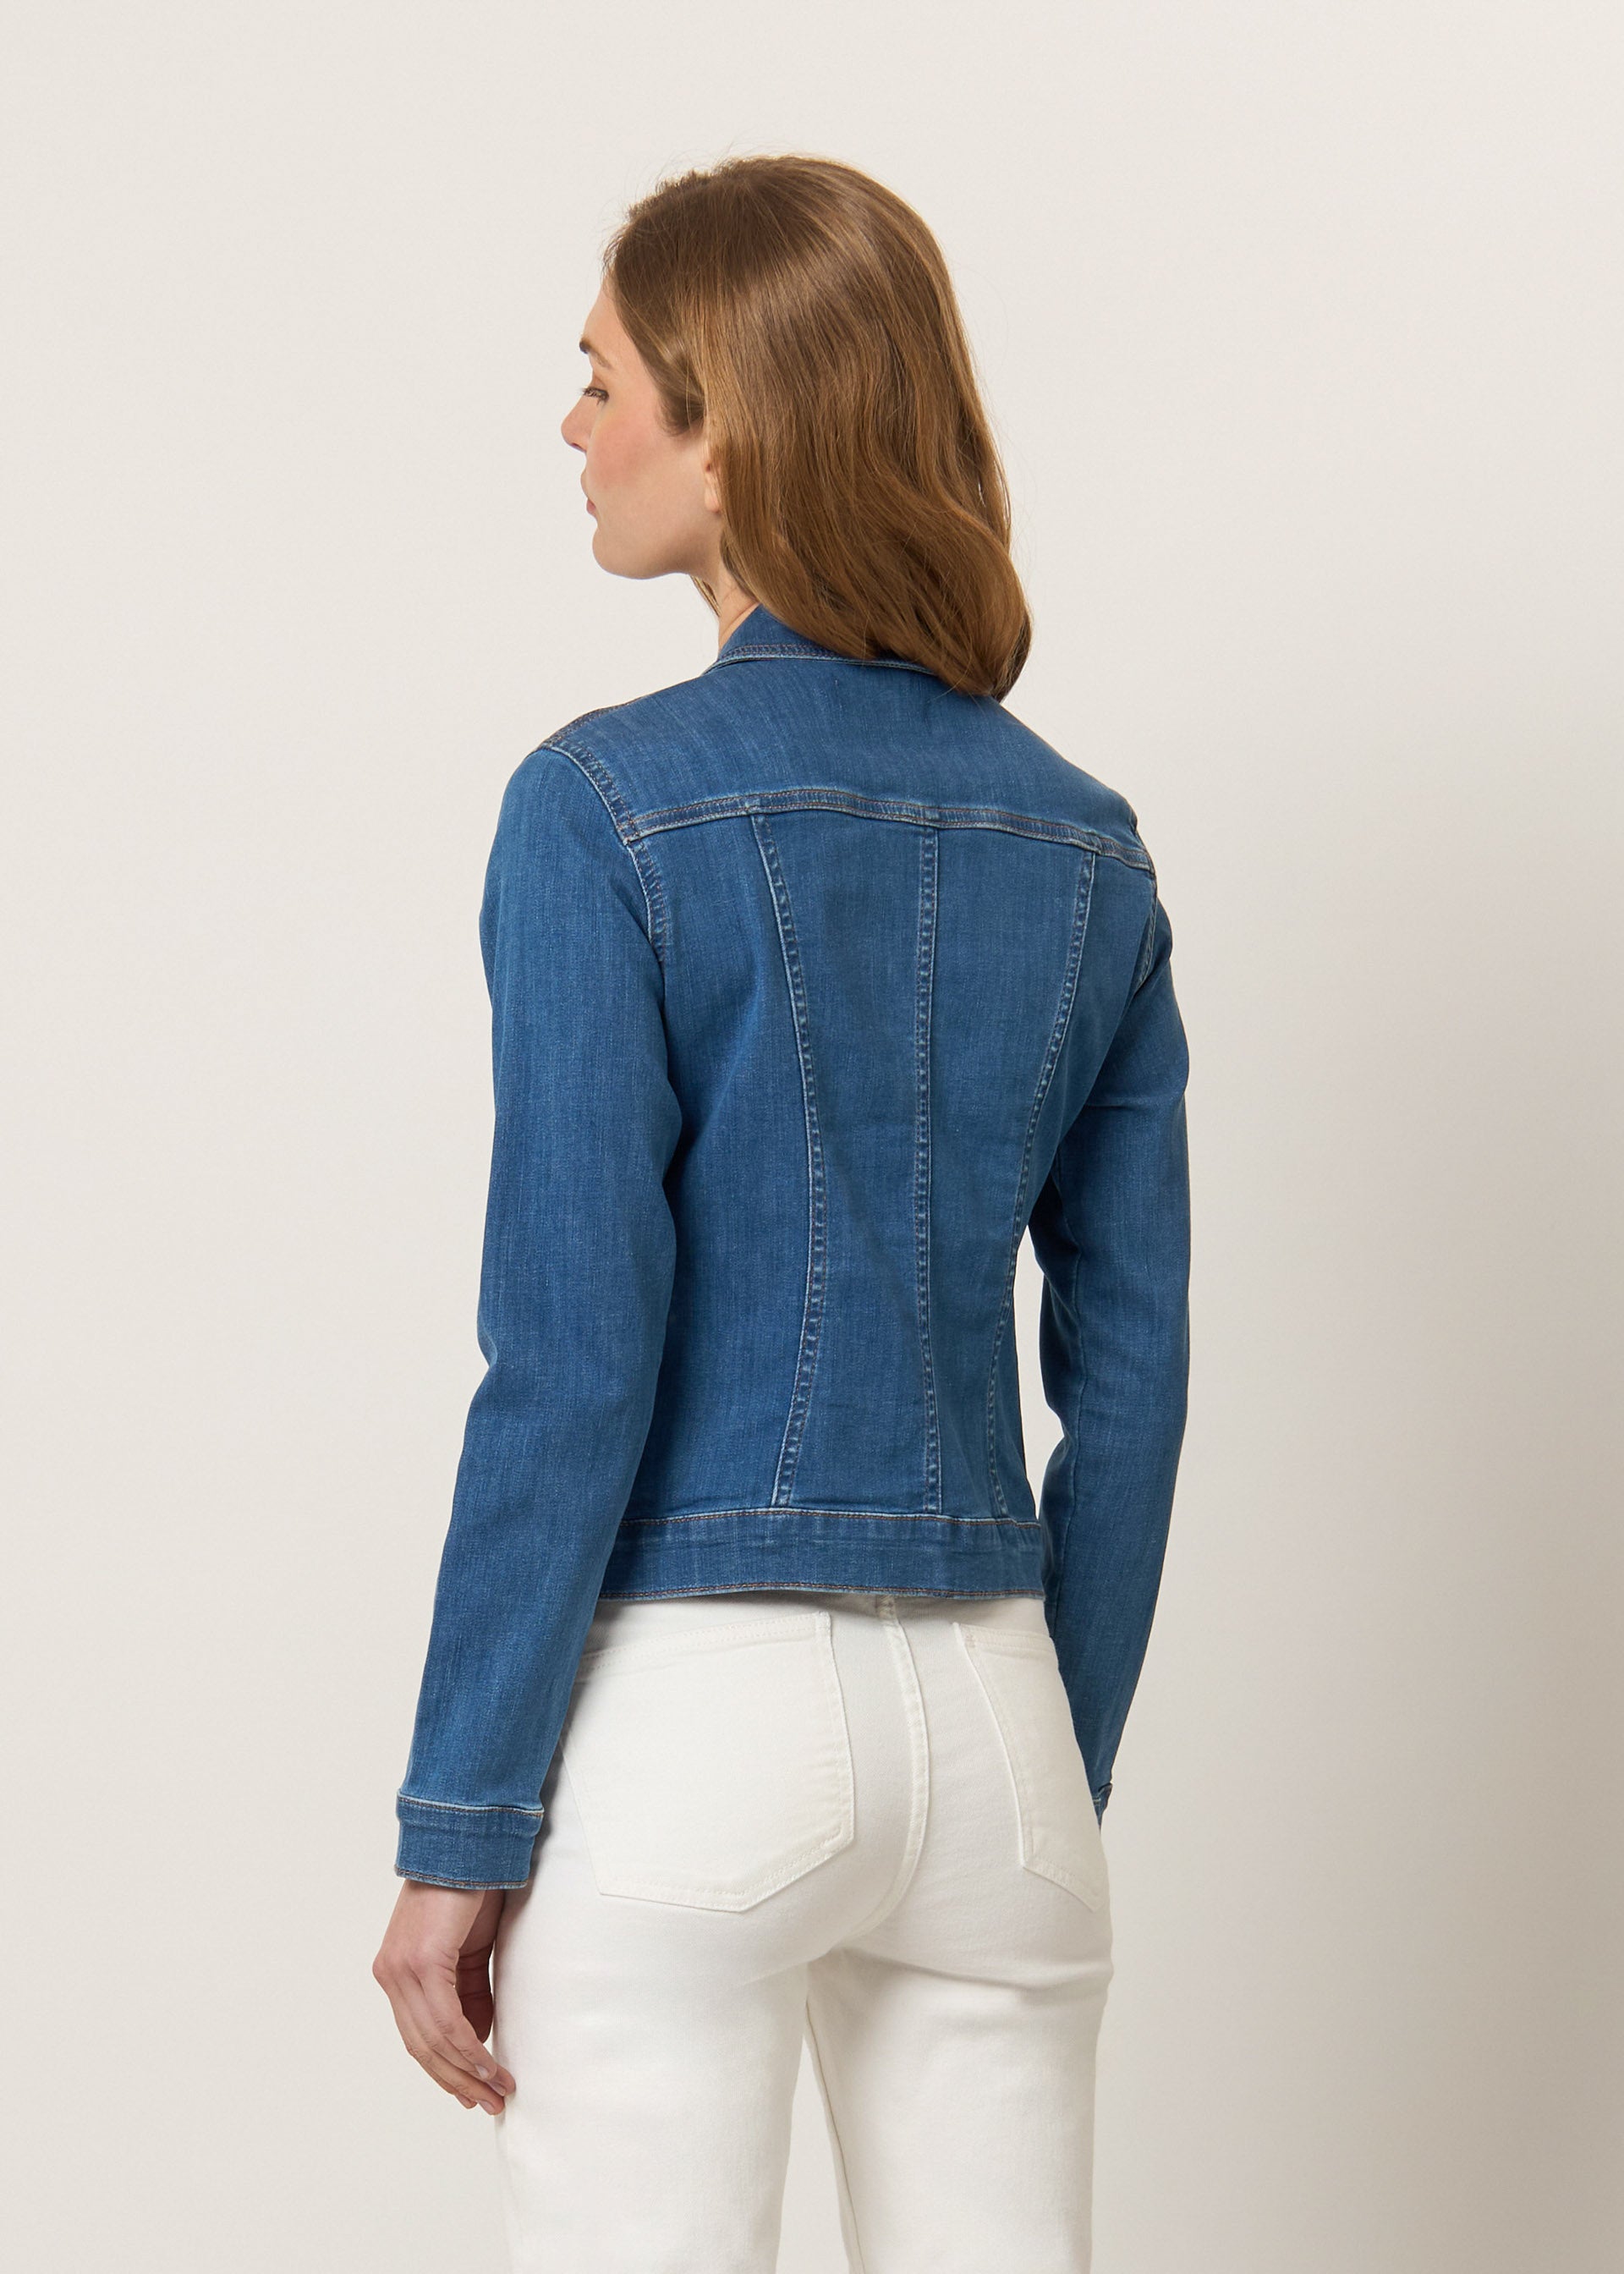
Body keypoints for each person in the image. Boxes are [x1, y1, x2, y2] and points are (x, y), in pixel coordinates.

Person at [372, 152, 1191, 2272]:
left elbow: (572, 1357)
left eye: (603, 380)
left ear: (725, 424)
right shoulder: (1089, 845)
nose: (573, 426)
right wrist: (1049, 1745)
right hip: (1001, 1726)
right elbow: (1134, 1378)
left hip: (693, 1730)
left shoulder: (600, 805)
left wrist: (463, 1818)